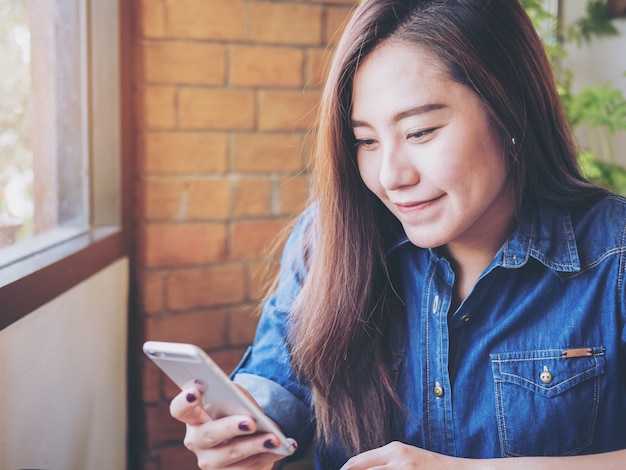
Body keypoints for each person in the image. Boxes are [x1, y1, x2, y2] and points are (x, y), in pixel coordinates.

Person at [169, 0, 626, 468]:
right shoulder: (330, 238)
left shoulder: (615, 255)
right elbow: (282, 380)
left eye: (420, 132)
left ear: (510, 110)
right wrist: (242, 425)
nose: (390, 176)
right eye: (366, 140)